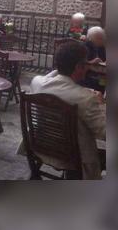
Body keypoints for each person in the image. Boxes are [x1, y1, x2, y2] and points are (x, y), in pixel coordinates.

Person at [29, 41, 105, 179]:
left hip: (43, 147)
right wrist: (100, 104)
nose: (87, 66)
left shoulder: (37, 83)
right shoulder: (86, 98)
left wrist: (65, 65)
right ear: (78, 66)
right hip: (74, 158)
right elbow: (104, 132)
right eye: (85, 63)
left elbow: (51, 79)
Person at [83, 26, 106, 93]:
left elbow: (103, 60)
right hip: (88, 76)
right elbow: (81, 65)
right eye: (98, 38)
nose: (101, 40)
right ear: (90, 38)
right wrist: (92, 62)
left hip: (100, 75)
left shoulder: (101, 47)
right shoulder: (85, 47)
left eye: (102, 38)